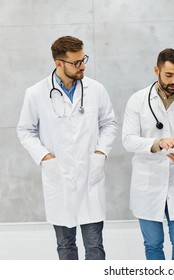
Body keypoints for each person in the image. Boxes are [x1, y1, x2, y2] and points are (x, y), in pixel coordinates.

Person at [17, 35, 117, 260]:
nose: (82, 66)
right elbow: (25, 130)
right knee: (65, 246)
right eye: (76, 62)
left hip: (90, 176)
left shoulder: (96, 89)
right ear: (59, 63)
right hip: (59, 177)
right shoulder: (36, 93)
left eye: (83, 60)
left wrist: (101, 153)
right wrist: (46, 157)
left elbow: (109, 124)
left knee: (95, 247)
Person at [122, 48, 174, 260]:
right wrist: (159, 143)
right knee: (153, 244)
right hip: (148, 182)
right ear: (156, 70)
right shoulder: (137, 100)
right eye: (169, 75)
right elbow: (128, 140)